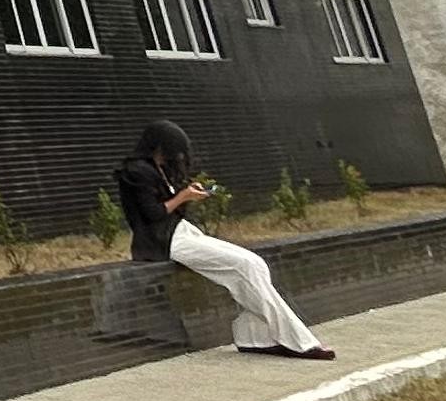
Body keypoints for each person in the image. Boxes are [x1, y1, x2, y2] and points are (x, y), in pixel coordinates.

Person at [117, 122, 334, 360]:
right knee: (246, 266)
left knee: (255, 264)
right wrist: (183, 196)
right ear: (160, 145)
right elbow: (154, 214)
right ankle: (299, 342)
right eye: (174, 149)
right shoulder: (136, 171)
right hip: (162, 241)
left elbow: (174, 212)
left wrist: (189, 196)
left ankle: (253, 337)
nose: (177, 155)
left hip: (180, 232)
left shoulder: (159, 169)